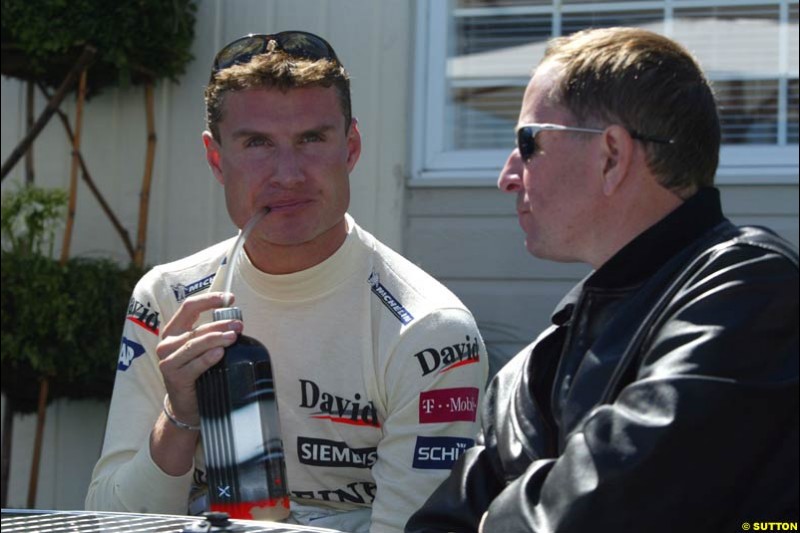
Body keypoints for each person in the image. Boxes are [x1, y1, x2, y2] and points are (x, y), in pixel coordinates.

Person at [85, 31, 488, 533]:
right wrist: (181, 414)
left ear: (352, 147)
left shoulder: (431, 331)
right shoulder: (167, 298)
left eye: (312, 139)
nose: (289, 174)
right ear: (216, 159)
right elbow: (110, 521)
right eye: (257, 144)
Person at [406, 27, 799, 532]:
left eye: (528, 142)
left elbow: (605, 510)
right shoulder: (529, 370)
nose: (506, 176)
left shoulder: (749, 288)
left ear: (612, 155)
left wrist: (495, 515)